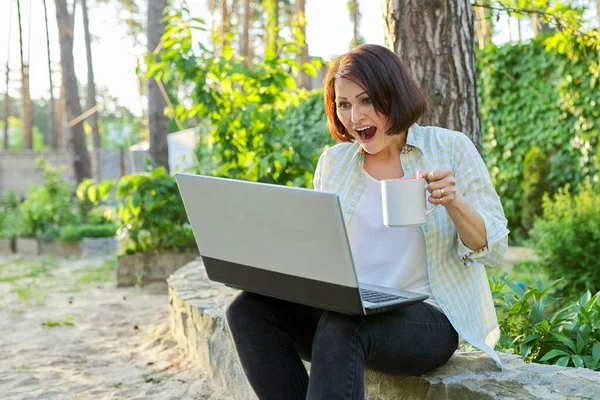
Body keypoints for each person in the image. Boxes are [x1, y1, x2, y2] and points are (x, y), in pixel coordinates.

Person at [225, 44, 509, 400]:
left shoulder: (450, 147)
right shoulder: (334, 163)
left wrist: (453, 201)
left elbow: (494, 248)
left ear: (394, 95)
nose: (355, 117)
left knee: (346, 323)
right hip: (350, 307)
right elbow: (320, 248)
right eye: (343, 105)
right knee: (247, 310)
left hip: (426, 319)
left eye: (366, 100)